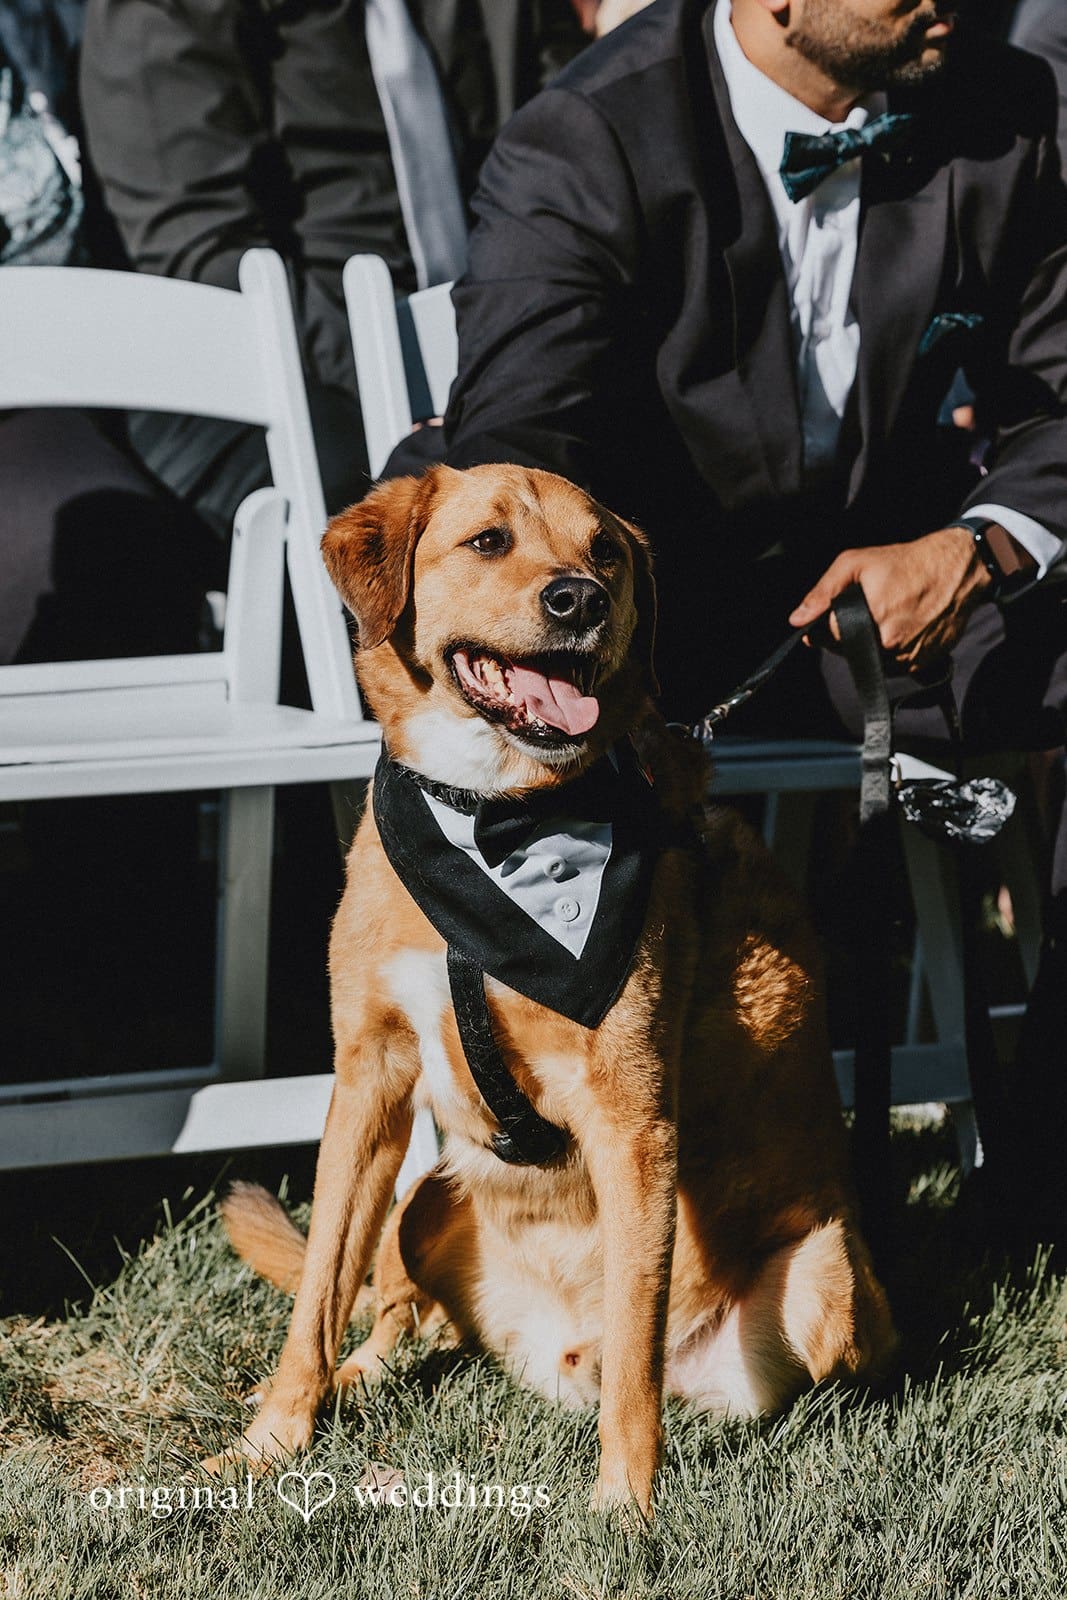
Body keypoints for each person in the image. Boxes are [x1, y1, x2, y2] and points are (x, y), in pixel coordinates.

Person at [441, 0, 1067, 1239]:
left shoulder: (1002, 112)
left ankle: (1041, 1178)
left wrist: (974, 545)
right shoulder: (586, 137)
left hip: (894, 614)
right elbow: (519, 444)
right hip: (654, 640)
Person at [78, 0, 586, 541]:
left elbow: (567, 146)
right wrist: (400, 381)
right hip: (282, 371)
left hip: (495, 328)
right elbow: (201, 253)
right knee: (411, 531)